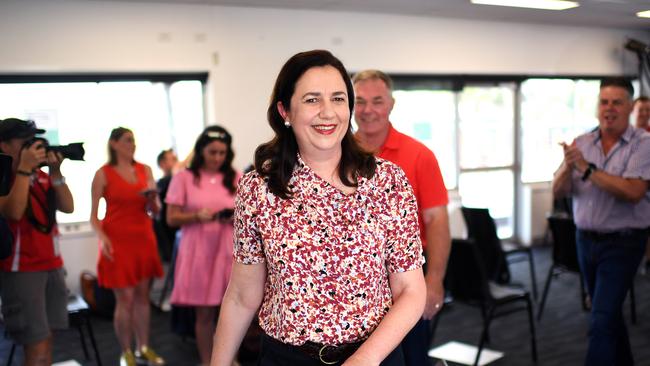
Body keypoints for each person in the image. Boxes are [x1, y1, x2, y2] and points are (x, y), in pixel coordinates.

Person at [211, 50, 426, 366]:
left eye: (338, 99)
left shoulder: (387, 181)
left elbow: (411, 290)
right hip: (286, 358)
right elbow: (242, 295)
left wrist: (365, 359)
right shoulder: (258, 188)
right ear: (285, 110)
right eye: (312, 100)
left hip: (374, 356)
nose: (328, 112)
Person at [353, 70, 450, 365]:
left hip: (406, 280)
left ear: (391, 104)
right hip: (357, 283)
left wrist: (433, 280)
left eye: (377, 101)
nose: (368, 110)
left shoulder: (419, 155)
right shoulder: (336, 154)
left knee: (411, 359)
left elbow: (437, 222)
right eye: (360, 101)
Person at [552, 78, 650, 366]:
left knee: (601, 317)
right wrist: (569, 166)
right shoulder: (582, 143)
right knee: (608, 315)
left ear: (631, 107)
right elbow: (559, 192)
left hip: (624, 242)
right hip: (585, 241)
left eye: (617, 102)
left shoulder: (643, 144)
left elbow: (633, 192)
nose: (609, 109)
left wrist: (586, 168)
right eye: (604, 102)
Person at [0, 118, 74, 366]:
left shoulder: (40, 176)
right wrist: (22, 170)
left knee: (47, 340)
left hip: (51, 264)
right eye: (25, 141)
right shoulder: (4, 178)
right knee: (36, 344)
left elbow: (68, 207)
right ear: (5, 145)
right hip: (22, 270)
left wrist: (55, 172)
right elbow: (14, 212)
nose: (33, 147)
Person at [90, 127, 165, 366]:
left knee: (143, 298)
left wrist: (152, 199)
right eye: (127, 140)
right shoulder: (103, 174)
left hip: (143, 239)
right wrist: (103, 239)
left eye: (133, 140)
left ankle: (143, 347)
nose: (132, 144)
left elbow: (156, 211)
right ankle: (126, 351)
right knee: (126, 300)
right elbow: (93, 216)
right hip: (117, 241)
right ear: (113, 144)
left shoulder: (145, 170)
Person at [165, 125, 239, 366]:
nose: (218, 158)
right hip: (198, 251)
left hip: (228, 248)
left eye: (222, 153)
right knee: (204, 312)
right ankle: (208, 361)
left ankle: (231, 360)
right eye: (212, 152)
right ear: (201, 151)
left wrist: (233, 215)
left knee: (231, 311)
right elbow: (171, 218)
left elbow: (248, 214)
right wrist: (196, 216)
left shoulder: (235, 176)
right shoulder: (184, 178)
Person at [155, 148, 179, 262]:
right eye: (173, 159)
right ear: (162, 163)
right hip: (168, 236)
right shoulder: (162, 183)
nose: (176, 161)